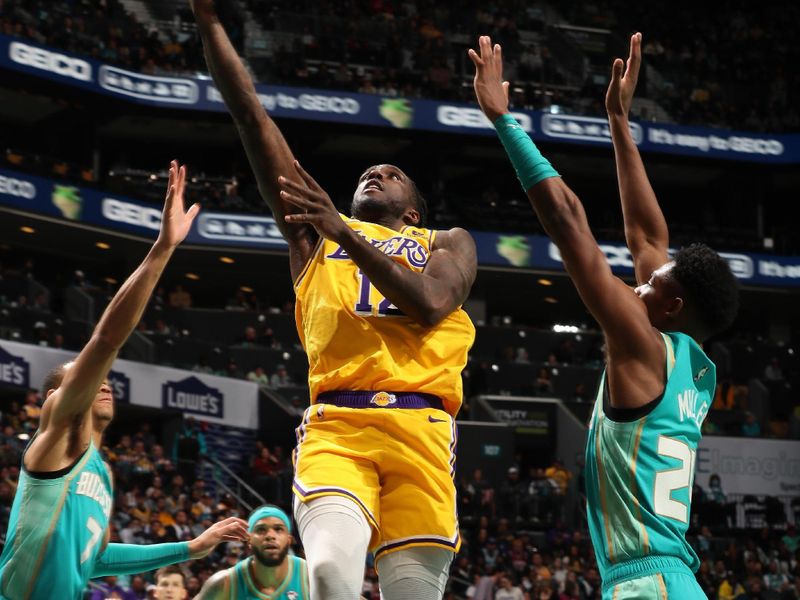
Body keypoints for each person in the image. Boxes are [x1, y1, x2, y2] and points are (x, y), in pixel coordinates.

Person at [191, 2, 477, 599]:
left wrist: (344, 230)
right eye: (367, 172)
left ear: (413, 210)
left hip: (423, 428)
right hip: (338, 424)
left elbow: (431, 303)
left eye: (391, 174)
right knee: (326, 574)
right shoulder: (312, 235)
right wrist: (208, 18)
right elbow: (250, 116)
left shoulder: (446, 242)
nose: (375, 174)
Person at [469, 32, 739, 600]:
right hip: (671, 580)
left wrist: (503, 121)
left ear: (673, 306)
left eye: (649, 284)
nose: (638, 283)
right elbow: (647, 234)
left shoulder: (641, 341)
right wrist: (618, 119)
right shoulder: (694, 366)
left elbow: (569, 220)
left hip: (647, 586)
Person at [0, 162, 249, 599]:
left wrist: (190, 548)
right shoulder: (57, 434)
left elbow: (97, 558)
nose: (103, 382)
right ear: (56, 397)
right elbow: (106, 340)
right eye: (82, 378)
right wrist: (162, 250)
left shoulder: (102, 472)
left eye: (101, 379)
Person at [196, 506, 309, 599]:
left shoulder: (309, 576)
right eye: (261, 530)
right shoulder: (223, 583)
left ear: (289, 540)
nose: (270, 536)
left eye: (278, 529)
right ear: (249, 540)